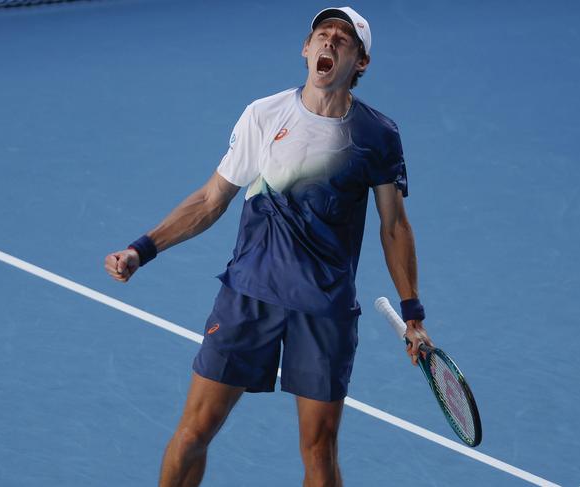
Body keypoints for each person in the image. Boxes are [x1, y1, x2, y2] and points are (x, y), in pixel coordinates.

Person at [104, 6, 433, 487]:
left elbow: (394, 226)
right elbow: (211, 199)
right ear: (305, 49)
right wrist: (143, 249)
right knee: (194, 431)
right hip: (248, 297)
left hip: (324, 310)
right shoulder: (264, 115)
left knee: (319, 453)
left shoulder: (377, 136)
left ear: (360, 63)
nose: (330, 42)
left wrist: (414, 313)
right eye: (322, 34)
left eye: (344, 39)